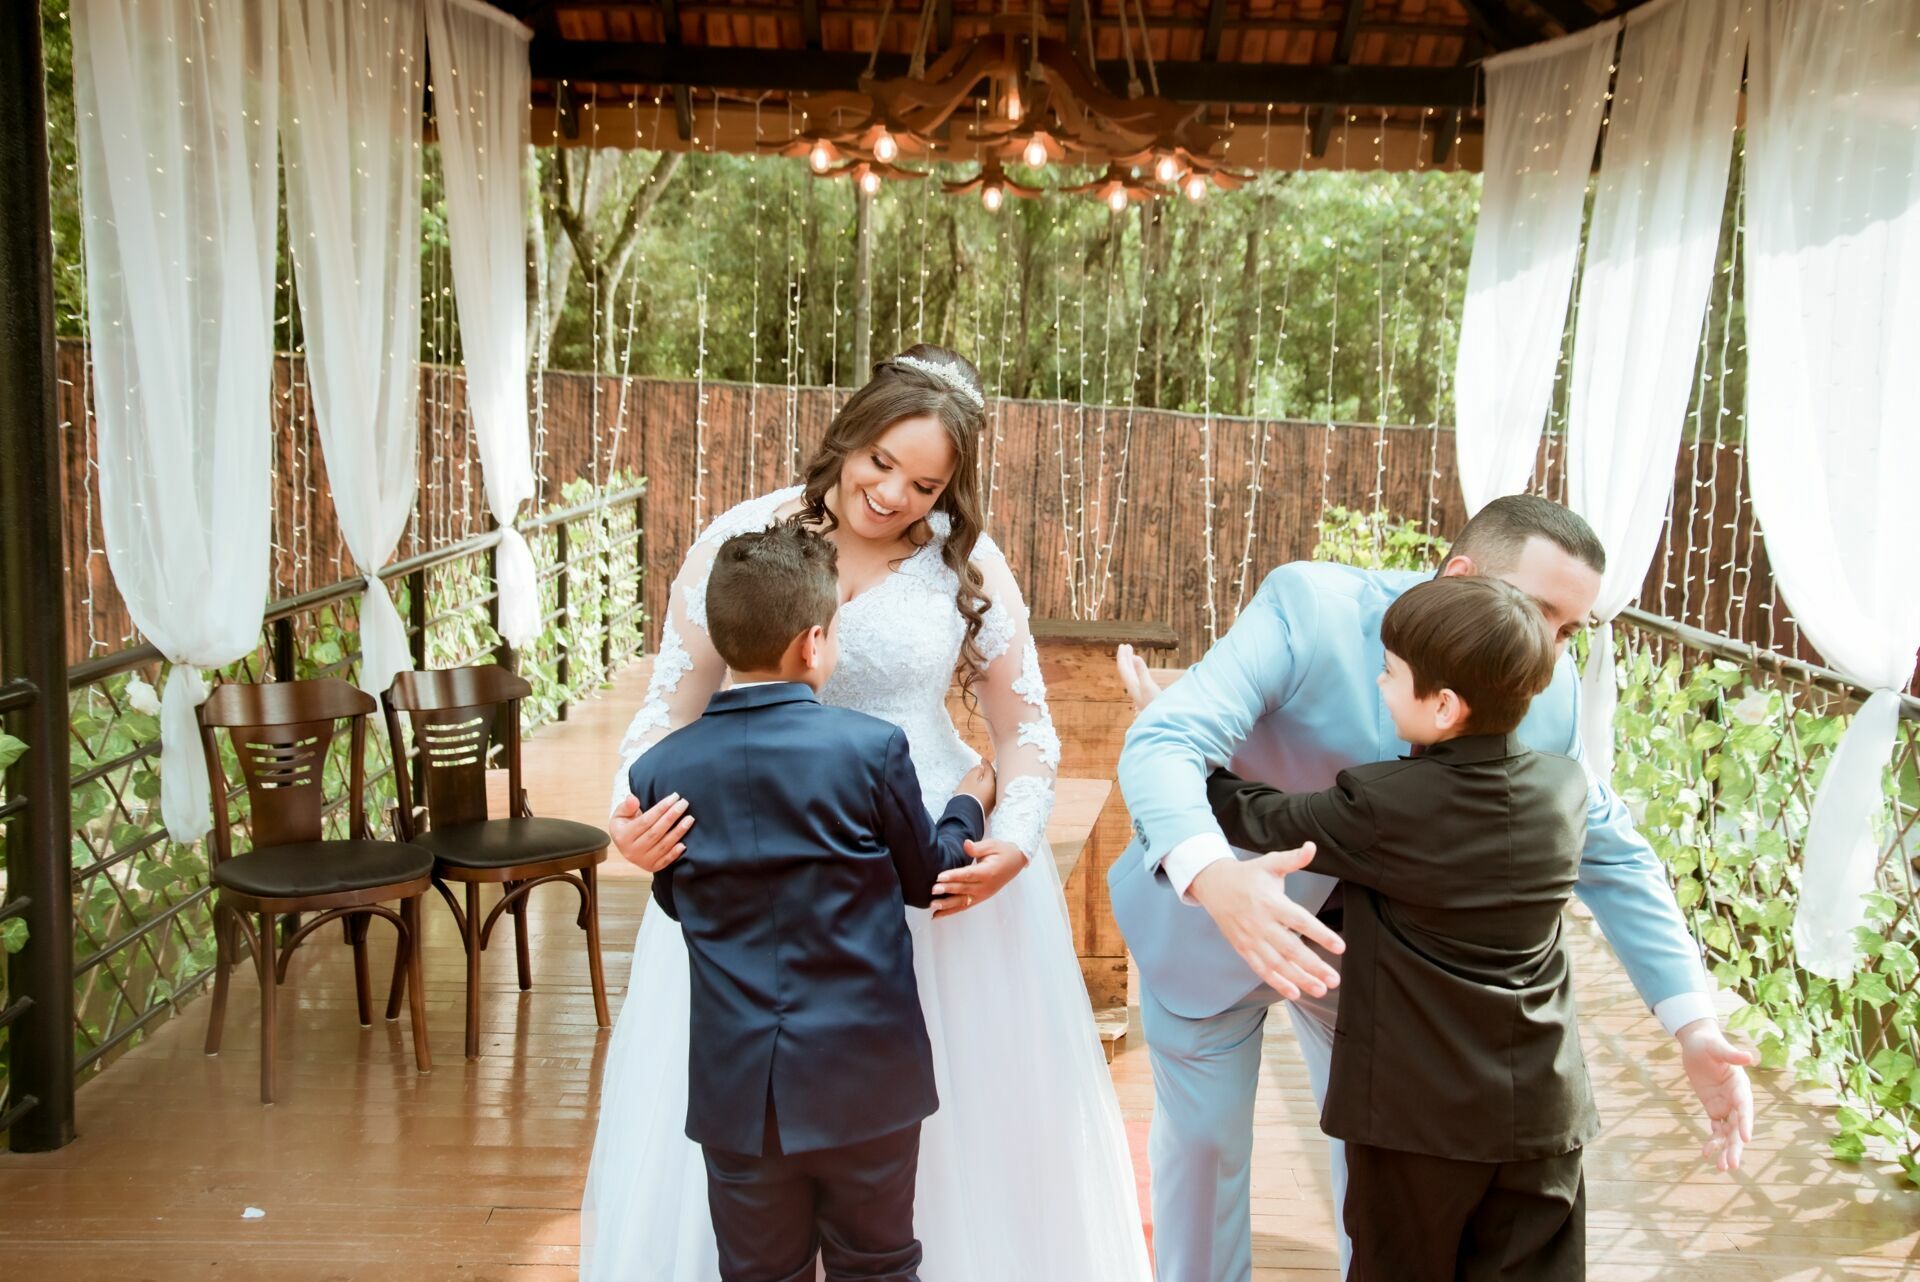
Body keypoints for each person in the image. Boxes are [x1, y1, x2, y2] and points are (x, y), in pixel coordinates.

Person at [581, 346, 1152, 1282]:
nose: (891, 496)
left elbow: (1026, 734)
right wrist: (629, 811)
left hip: (930, 871)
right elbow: (666, 713)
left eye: (924, 485)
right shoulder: (747, 538)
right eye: (880, 463)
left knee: (920, 1139)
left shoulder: (966, 563)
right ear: (848, 436)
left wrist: (1013, 841)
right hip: (754, 878)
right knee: (753, 1149)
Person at [1112, 494, 1758, 1282]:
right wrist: (1215, 879)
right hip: (1218, 917)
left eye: (1569, 631)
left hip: (1389, 976)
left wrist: (1693, 1024)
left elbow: (1612, 852)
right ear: (1460, 576)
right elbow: (1165, 741)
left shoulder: (1543, 686)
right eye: (1540, 613)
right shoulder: (1309, 608)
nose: (1549, 653)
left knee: (1383, 1164)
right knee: (1205, 1150)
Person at [1202, 575, 1595, 1280]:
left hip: (1416, 1123)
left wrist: (1182, 743)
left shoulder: (1385, 803)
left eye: (1390, 673)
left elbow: (1256, 815)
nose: (1380, 686)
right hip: (1544, 1115)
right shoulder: (1566, 788)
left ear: (1443, 705)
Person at [631, 523, 996, 1282]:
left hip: (739, 1095)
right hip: (867, 1081)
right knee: (880, 1266)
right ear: (812, 643)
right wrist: (968, 803)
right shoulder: (871, 749)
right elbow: (927, 879)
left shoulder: (660, 770)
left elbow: (677, 901)